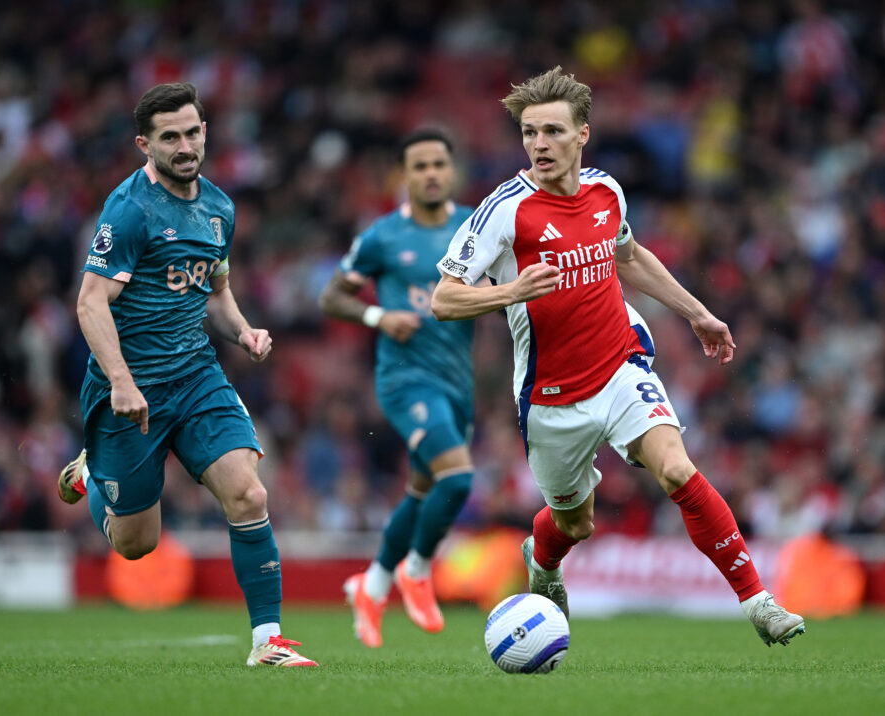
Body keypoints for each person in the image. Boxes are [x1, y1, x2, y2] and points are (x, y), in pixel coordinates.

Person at [431, 66, 805, 647]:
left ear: (583, 133)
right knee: (574, 522)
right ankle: (544, 560)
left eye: (552, 131)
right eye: (529, 133)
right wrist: (511, 292)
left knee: (677, 468)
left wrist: (697, 312)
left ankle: (759, 603)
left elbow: (628, 257)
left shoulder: (607, 191)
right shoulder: (505, 210)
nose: (539, 145)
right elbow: (444, 299)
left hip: (619, 365)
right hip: (551, 396)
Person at [56, 82, 317, 667]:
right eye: (169, 137)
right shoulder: (129, 211)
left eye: (192, 132)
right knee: (135, 544)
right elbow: (90, 303)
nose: (184, 145)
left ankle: (267, 642)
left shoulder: (220, 208)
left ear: (205, 132)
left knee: (248, 492)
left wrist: (245, 331)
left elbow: (214, 294)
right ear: (144, 144)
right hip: (129, 388)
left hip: (197, 375)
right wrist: (122, 382)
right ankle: (95, 470)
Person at [318, 129, 476, 648]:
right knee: (457, 479)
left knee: (422, 490)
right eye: (419, 165)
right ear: (405, 175)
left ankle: (374, 584)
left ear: (451, 170)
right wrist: (378, 314)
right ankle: (417, 569)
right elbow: (332, 297)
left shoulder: (474, 228)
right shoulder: (383, 235)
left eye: (438, 164)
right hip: (405, 379)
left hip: (458, 381)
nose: (430, 173)